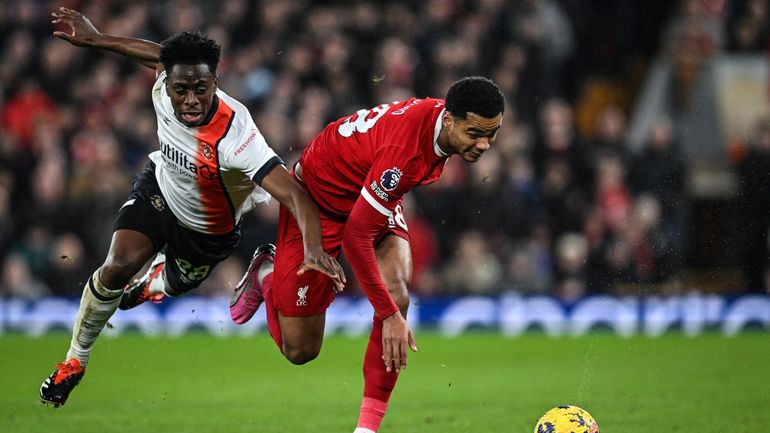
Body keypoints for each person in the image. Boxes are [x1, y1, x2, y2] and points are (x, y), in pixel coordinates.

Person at [39, 7, 345, 408]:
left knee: (176, 284)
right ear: (168, 82)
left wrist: (314, 248)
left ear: (216, 81)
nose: (190, 100)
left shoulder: (238, 135)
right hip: (160, 191)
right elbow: (156, 54)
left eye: (201, 88)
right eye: (181, 89)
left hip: (209, 232)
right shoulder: (168, 77)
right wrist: (96, 39)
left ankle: (153, 284)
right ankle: (74, 361)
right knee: (116, 264)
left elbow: (294, 194)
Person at [230, 76, 505, 433]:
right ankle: (267, 276)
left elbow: (367, 218)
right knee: (300, 351)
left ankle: (366, 429)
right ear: (450, 121)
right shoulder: (404, 155)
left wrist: (392, 307)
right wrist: (388, 316)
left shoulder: (441, 122)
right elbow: (355, 237)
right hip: (317, 201)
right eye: (475, 134)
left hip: (369, 193)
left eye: (492, 134)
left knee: (398, 292)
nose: (484, 144)